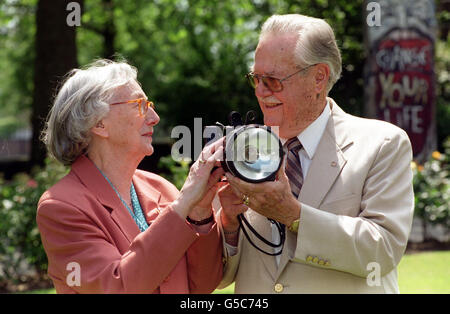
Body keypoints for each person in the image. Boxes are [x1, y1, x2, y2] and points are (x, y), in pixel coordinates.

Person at [217, 14, 414, 293]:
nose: (260, 92)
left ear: (319, 77)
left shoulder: (383, 143)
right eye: (256, 78)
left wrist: (293, 214)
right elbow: (218, 278)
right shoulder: (243, 151)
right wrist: (227, 224)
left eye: (272, 80)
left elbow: (382, 252)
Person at [37, 59, 224, 293]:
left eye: (150, 105)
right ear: (98, 124)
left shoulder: (160, 187)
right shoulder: (61, 206)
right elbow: (118, 287)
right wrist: (183, 204)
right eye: (139, 105)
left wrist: (200, 214)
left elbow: (203, 285)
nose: (154, 117)